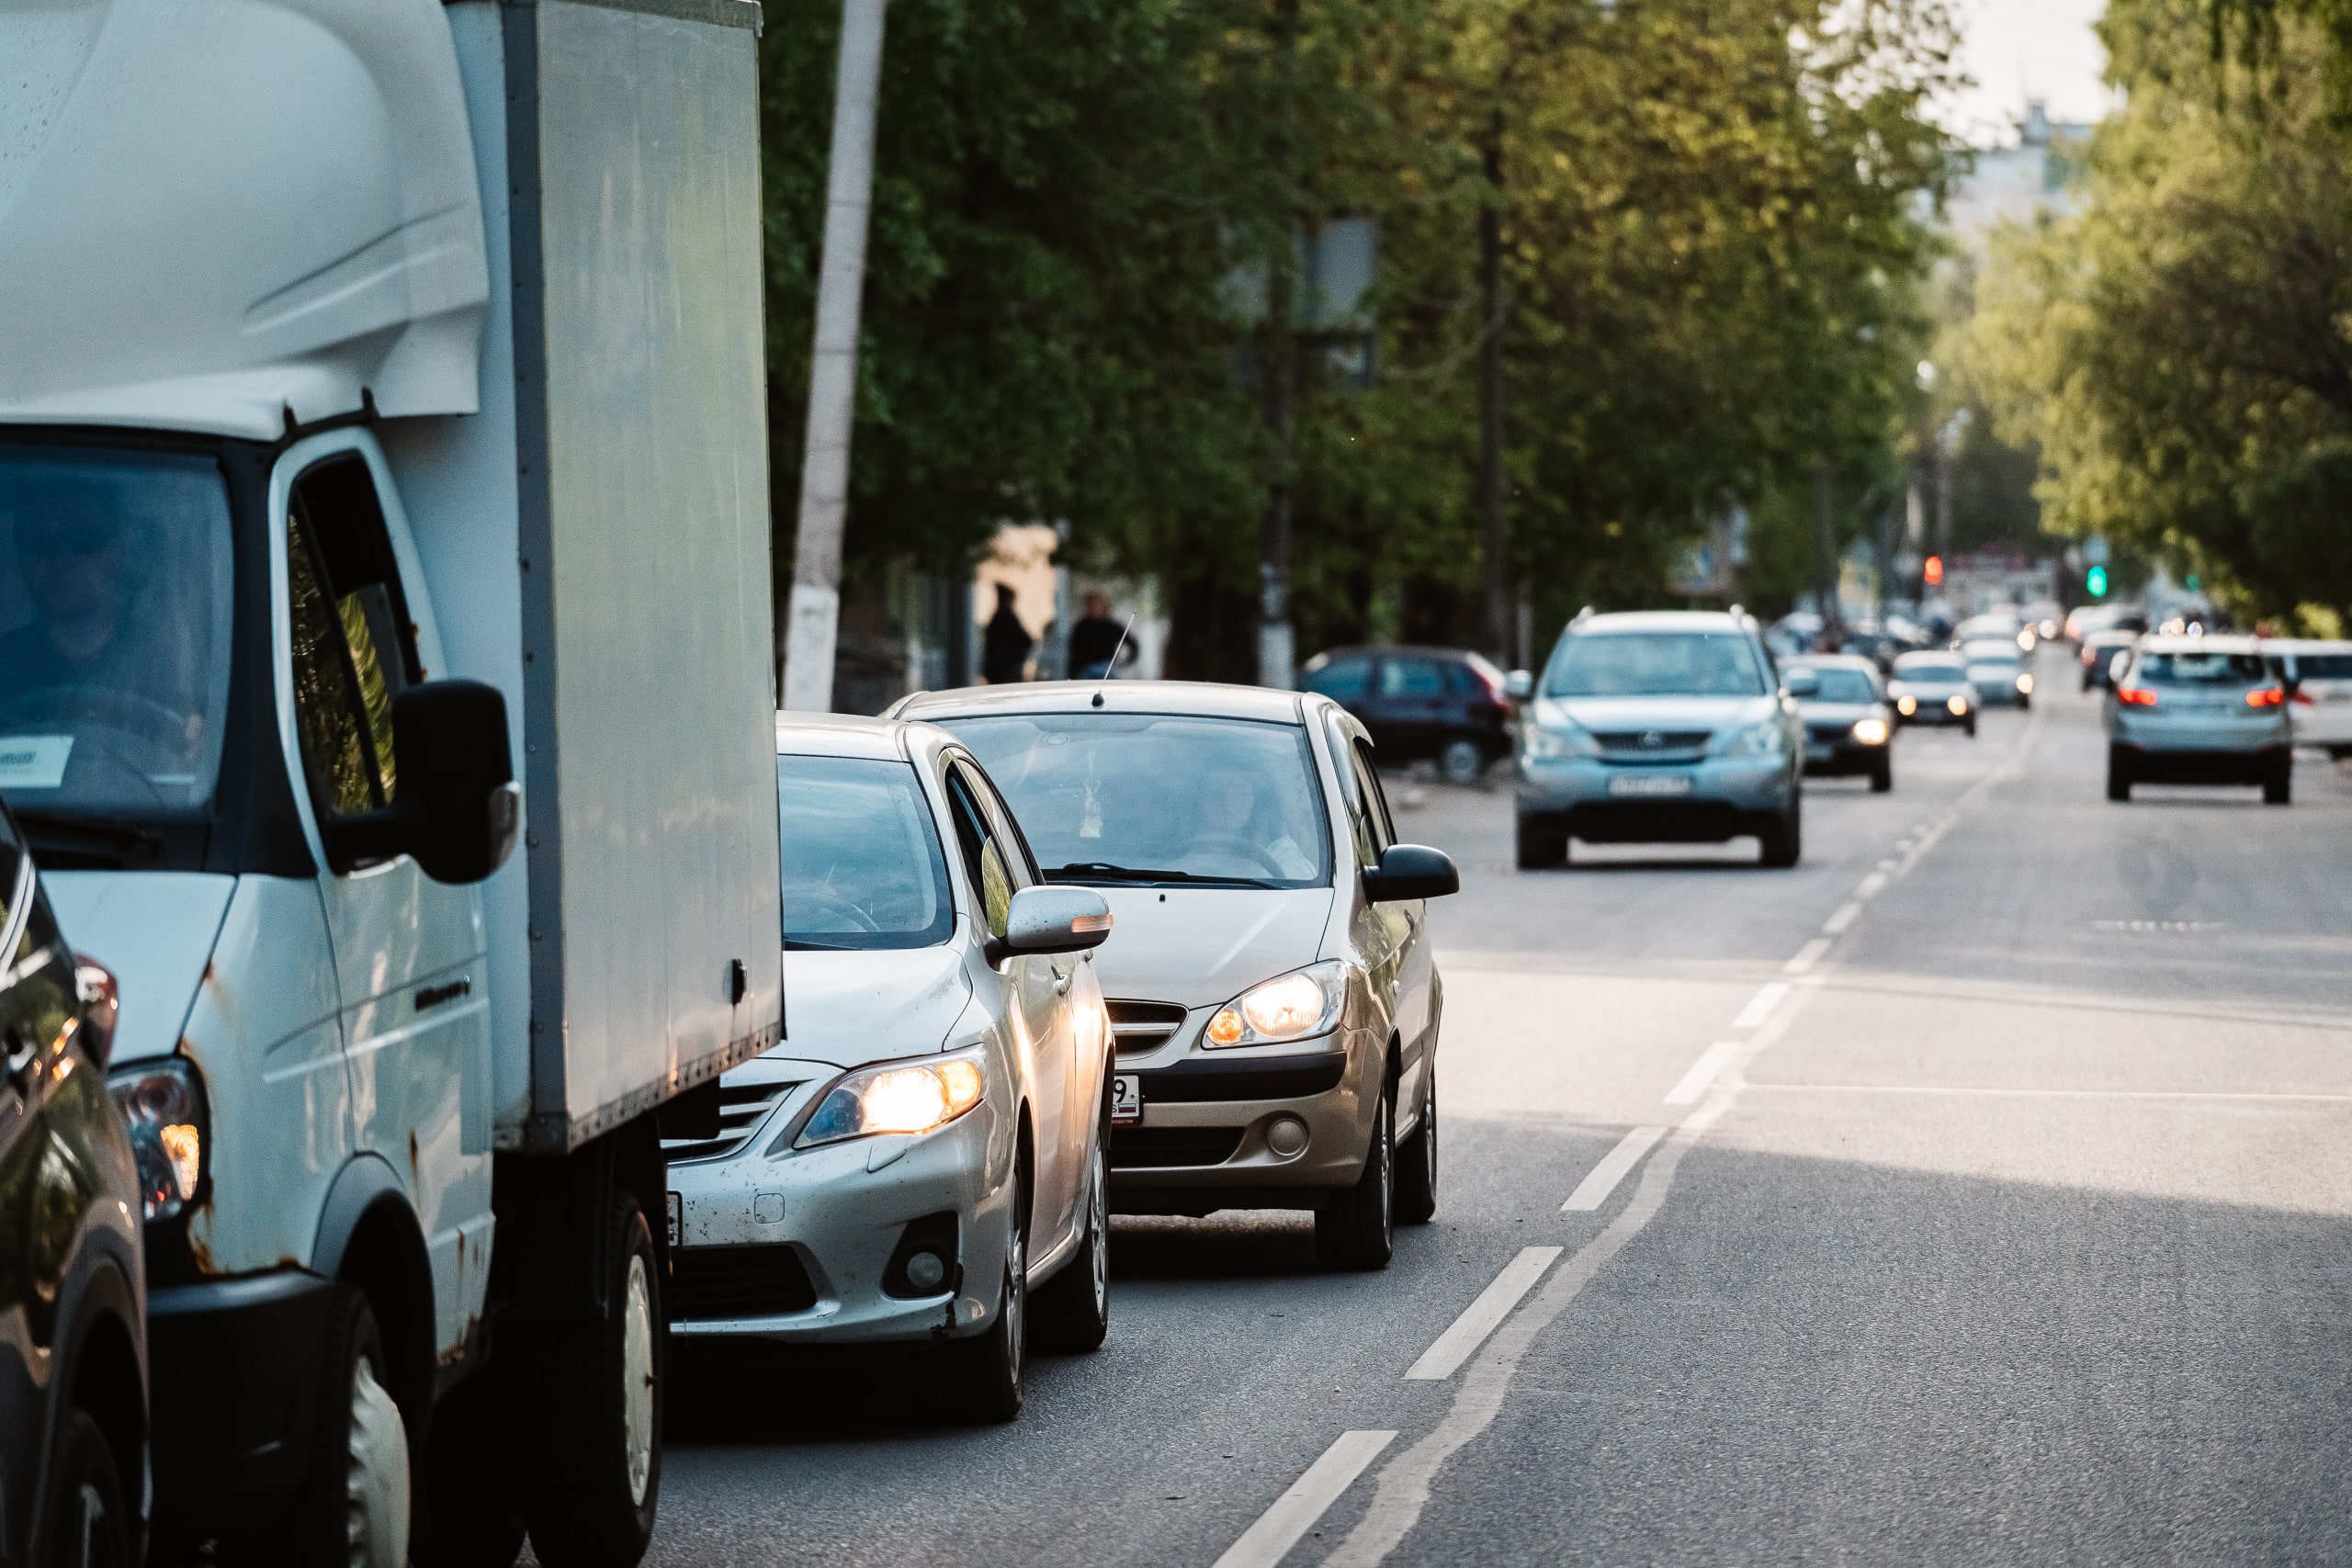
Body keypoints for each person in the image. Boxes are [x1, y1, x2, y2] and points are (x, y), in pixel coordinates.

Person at [1068, 590, 1130, 682]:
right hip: (1086, 669)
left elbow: (1132, 644)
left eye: (1098, 605)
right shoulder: (1081, 627)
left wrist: (1125, 662)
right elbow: (1074, 652)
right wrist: (1072, 675)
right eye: (1092, 605)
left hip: (1106, 668)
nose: (1095, 608)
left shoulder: (1112, 626)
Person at [981, 582, 1033, 685]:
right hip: (1006, 669)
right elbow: (1025, 640)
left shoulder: (998, 617)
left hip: (1000, 669)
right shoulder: (1006, 617)